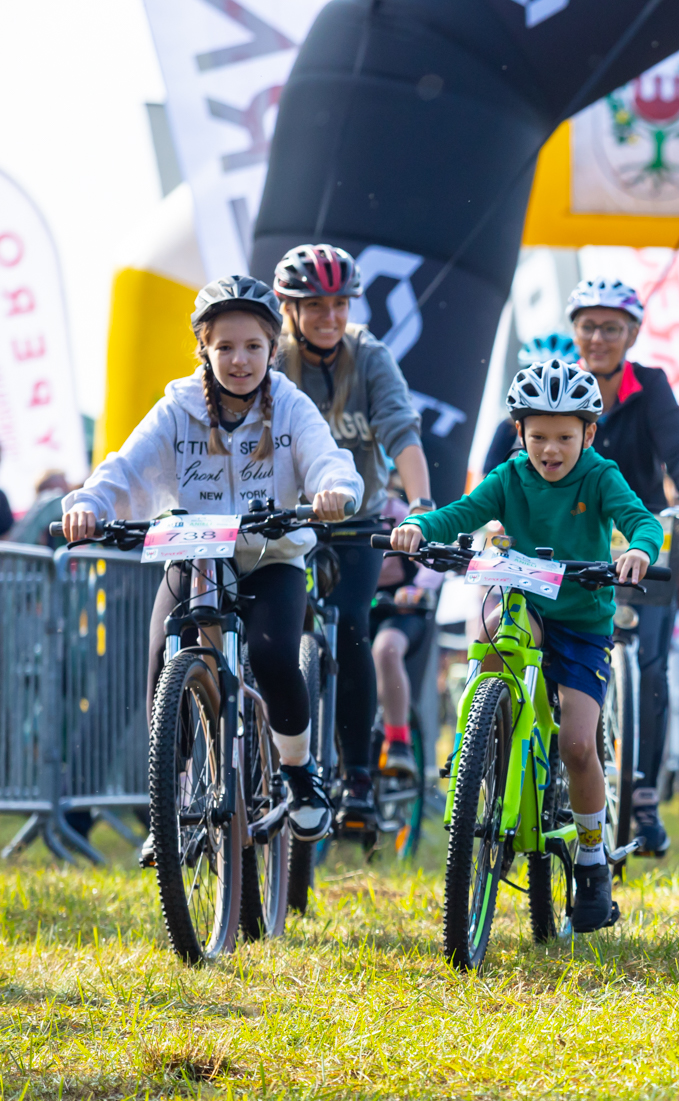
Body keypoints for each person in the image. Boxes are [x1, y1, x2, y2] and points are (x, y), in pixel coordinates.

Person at [61, 275, 363, 853]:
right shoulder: (178, 406)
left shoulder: (291, 406)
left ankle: (299, 775)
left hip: (269, 556)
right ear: (204, 348)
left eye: (252, 346)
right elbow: (125, 466)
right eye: (224, 347)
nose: (239, 359)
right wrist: (88, 506)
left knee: (274, 656)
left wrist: (333, 492)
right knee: (161, 659)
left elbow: (327, 459)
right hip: (195, 551)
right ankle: (169, 809)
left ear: (273, 350)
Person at [390, 359, 661, 930]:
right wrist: (422, 527)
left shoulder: (600, 475)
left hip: (583, 620)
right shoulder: (510, 476)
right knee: (495, 639)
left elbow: (642, 521)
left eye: (565, 436)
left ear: (588, 434)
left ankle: (591, 860)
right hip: (526, 604)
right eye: (538, 435)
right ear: (520, 433)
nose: (551, 449)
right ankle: (482, 741)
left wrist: (638, 550)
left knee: (579, 745)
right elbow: (463, 514)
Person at [487, 287, 679, 857]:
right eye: (588, 326)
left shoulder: (650, 387)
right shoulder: (547, 386)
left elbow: (677, 448)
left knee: (651, 659)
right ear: (574, 331)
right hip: (559, 550)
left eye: (611, 328)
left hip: (637, 533)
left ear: (633, 334)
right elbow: (500, 466)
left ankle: (641, 794)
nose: (598, 338)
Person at [270, 243, 436, 823]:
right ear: (289, 309)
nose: (331, 318)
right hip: (284, 522)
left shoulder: (369, 356)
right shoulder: (270, 358)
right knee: (270, 630)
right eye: (316, 306)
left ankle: (359, 772)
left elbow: (401, 430)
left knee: (350, 628)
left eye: (340, 305)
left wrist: (419, 505)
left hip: (358, 521)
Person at [367, 487, 444, 782]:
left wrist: (418, 588)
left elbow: (435, 549)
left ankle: (399, 741)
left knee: (386, 650)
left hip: (401, 610)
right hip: (359, 608)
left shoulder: (397, 512)